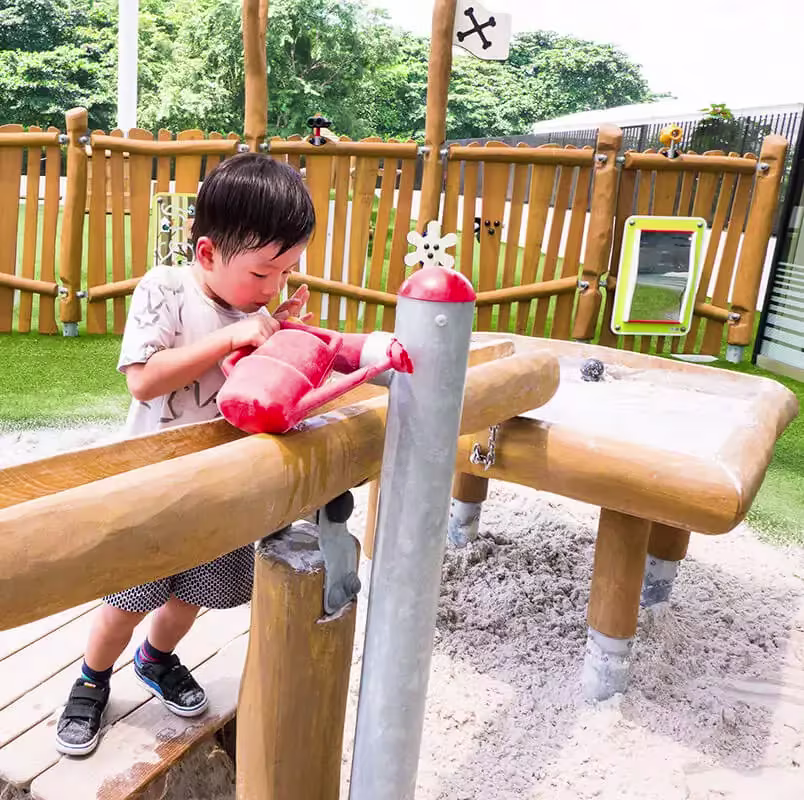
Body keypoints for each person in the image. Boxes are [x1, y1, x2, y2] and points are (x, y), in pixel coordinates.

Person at [55, 153, 315, 756]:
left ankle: (157, 658)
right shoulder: (166, 290)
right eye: (263, 273)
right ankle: (92, 680)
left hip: (221, 482)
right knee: (128, 597)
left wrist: (281, 334)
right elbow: (144, 381)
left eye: (288, 271)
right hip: (152, 481)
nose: (273, 287)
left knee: (195, 591)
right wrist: (235, 334)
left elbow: (252, 385)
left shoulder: (256, 310)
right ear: (207, 254)